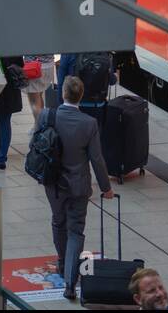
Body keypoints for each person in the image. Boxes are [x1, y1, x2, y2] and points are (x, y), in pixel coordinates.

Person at [35, 75, 114, 300]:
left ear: (63, 94)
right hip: (78, 186)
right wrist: (106, 188)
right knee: (76, 230)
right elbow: (97, 159)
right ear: (81, 96)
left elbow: (37, 144)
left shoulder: (47, 115)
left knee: (58, 221)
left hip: (53, 184)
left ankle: (62, 262)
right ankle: (70, 283)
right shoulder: (89, 124)